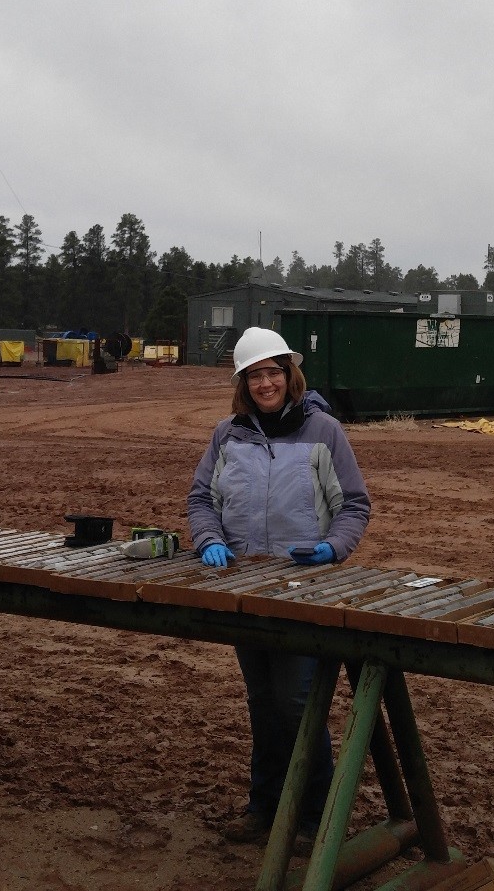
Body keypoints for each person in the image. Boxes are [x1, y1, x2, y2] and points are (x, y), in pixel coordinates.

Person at [186, 326, 371, 849]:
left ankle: (314, 817)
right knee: (263, 703)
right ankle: (263, 807)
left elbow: (354, 505)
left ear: (290, 376)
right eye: (255, 375)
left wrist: (333, 548)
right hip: (244, 588)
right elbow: (201, 499)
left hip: (303, 591)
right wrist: (207, 541)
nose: (266, 383)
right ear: (243, 383)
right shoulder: (228, 434)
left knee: (296, 704)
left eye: (274, 372)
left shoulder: (324, 431)